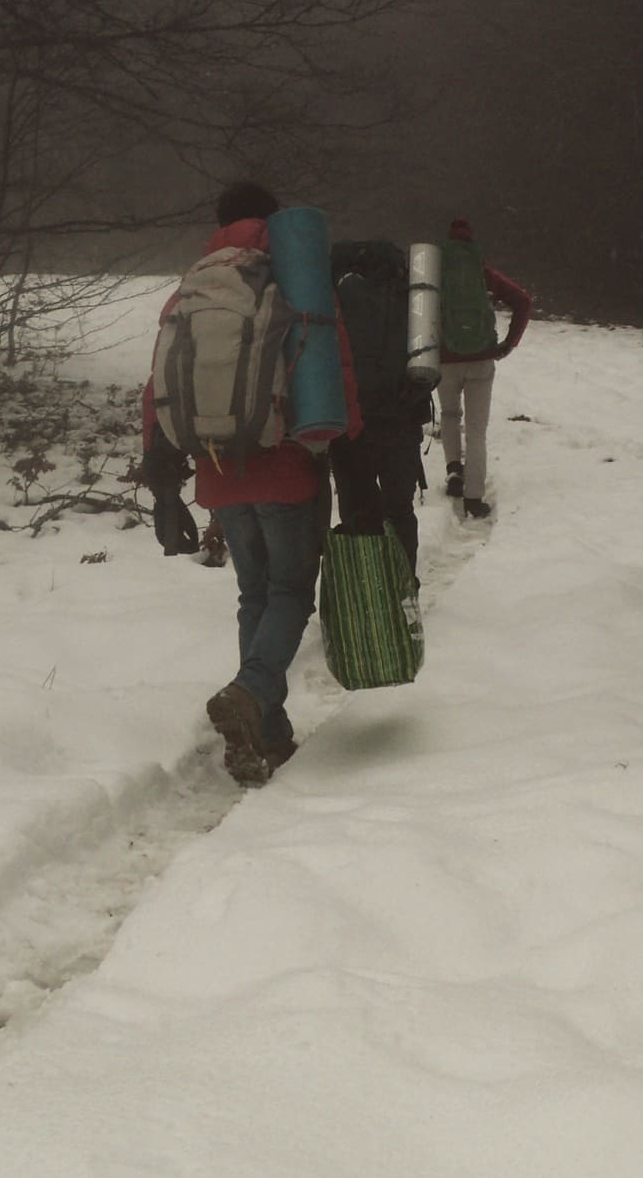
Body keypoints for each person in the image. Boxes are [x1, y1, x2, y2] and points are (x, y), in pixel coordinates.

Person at [141, 182, 373, 788]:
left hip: (220, 472)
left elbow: (157, 386)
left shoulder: (191, 286)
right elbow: (336, 368)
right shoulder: (292, 280)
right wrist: (354, 459)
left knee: (254, 595)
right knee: (291, 593)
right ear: (273, 222)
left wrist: (164, 481)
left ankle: (266, 732)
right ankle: (251, 692)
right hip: (286, 467)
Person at [329, 239, 431, 582]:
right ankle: (403, 584)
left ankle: (364, 588)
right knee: (399, 510)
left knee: (356, 510)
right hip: (401, 419)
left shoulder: (340, 292)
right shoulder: (415, 299)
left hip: (350, 423)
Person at [437, 217, 531, 521]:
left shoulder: (434, 272)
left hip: (445, 359)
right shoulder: (483, 273)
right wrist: (508, 344)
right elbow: (523, 301)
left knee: (450, 415)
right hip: (481, 359)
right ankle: (474, 498)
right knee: (477, 431)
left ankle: (454, 470)